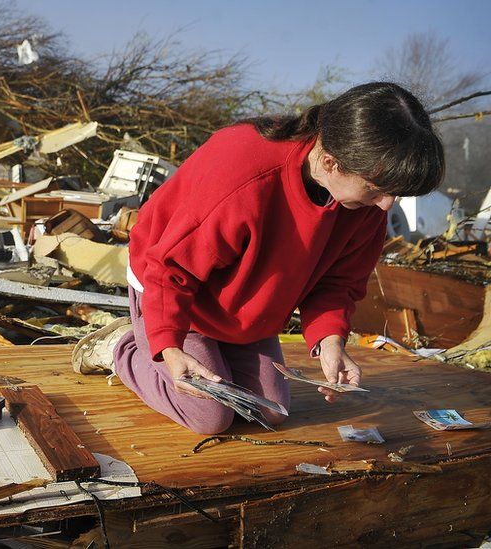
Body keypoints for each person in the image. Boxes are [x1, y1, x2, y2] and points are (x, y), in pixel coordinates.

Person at [71, 82, 445, 435]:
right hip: (180, 295)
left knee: (269, 411)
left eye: (394, 193)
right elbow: (169, 270)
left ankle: (205, 350)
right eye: (377, 190)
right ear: (332, 163)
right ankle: (123, 347)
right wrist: (168, 346)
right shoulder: (243, 172)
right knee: (210, 415)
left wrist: (331, 341)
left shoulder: (364, 206)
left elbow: (338, 283)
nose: (387, 205)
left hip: (247, 310)